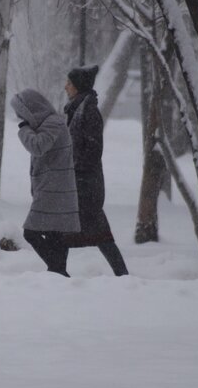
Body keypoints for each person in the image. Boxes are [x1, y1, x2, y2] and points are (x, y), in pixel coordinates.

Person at [63, 65, 129, 276]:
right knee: (74, 231)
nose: (66, 87)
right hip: (81, 183)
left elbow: (93, 150)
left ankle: (56, 273)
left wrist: (76, 169)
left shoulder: (88, 111)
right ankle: (56, 272)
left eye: (69, 83)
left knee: (98, 234)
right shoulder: (78, 108)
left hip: (86, 185)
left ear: (78, 86)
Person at [11, 88, 80, 277]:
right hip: (54, 189)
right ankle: (58, 273)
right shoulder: (49, 123)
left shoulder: (53, 123)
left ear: (31, 109)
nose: (19, 117)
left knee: (31, 232)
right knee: (55, 234)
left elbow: (37, 146)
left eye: (21, 113)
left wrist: (24, 128)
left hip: (55, 190)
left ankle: (58, 271)